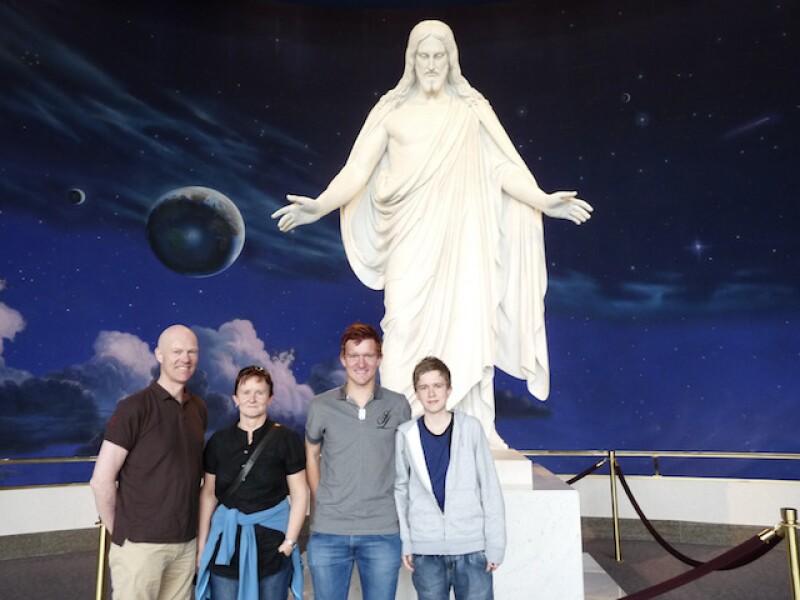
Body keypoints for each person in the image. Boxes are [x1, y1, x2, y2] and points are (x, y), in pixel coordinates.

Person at [271, 20, 593, 448]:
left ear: (451, 59)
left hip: (464, 243)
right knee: (401, 325)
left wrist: (542, 200)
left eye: (439, 55)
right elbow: (357, 171)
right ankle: (400, 430)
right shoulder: (392, 112)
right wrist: (320, 205)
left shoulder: (471, 111)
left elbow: (502, 168)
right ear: (411, 59)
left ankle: (476, 430)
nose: (431, 64)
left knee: (470, 325)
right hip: (411, 240)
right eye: (423, 55)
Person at [89, 324, 207, 600]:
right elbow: (101, 480)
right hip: (140, 547)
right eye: (176, 351)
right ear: (159, 355)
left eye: (192, 352)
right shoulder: (134, 407)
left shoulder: (198, 408)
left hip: (185, 544)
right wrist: (119, 531)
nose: (185, 358)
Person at [304, 322, 412, 600]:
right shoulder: (321, 405)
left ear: (379, 358)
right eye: (354, 356)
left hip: (382, 531)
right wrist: (322, 498)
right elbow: (311, 453)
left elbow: (407, 463)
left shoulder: (398, 406)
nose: (361, 363)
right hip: (329, 532)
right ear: (343, 359)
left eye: (368, 355)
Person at [395, 356, 505, 600]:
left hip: (472, 548)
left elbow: (489, 487)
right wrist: (407, 541)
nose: (431, 393)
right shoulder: (406, 434)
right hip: (426, 550)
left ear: (449, 389)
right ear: (416, 392)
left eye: (438, 385)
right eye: (424, 387)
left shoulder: (471, 428)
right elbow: (400, 490)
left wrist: (495, 545)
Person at [195, 365, 307, 600]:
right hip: (226, 543)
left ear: (270, 398)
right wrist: (202, 545)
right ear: (235, 399)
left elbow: (299, 494)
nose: (252, 399)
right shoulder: (218, 441)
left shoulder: (286, 439)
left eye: (260, 392)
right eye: (246, 392)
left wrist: (289, 542)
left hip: (273, 544)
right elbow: (208, 494)